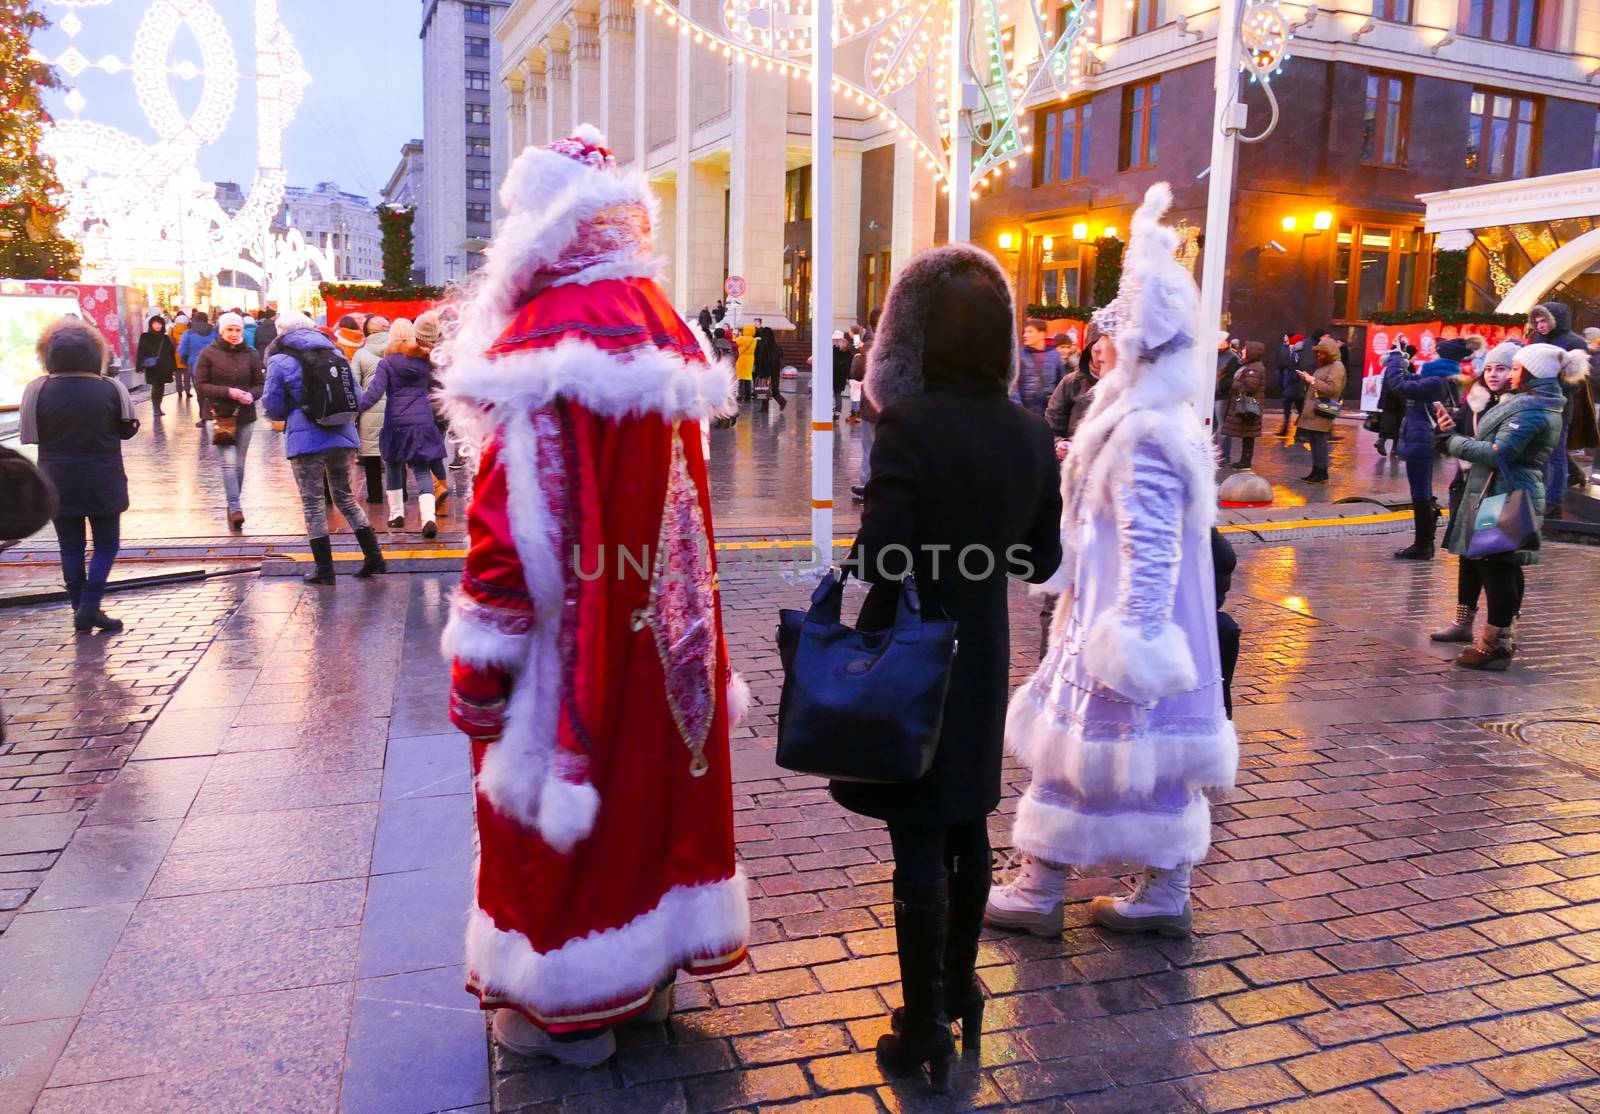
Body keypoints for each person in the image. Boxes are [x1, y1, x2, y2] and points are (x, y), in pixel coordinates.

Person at [435, 125, 749, 1067]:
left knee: (561, 826)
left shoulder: (546, 354)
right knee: (648, 807)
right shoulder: (665, 332)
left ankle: (562, 1009)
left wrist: (478, 674)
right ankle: (644, 987)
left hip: (568, 654)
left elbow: (506, 540)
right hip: (667, 642)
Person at [836, 242, 1061, 1090]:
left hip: (912, 652)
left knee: (918, 832)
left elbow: (884, 556)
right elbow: (1040, 561)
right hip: (982, 648)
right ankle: (961, 991)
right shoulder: (1032, 433)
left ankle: (924, 1018)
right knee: (967, 816)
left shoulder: (911, 425)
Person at [986, 183, 1236, 940]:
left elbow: (1154, 545)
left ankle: (1043, 885)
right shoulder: (1158, 417)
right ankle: (1161, 886)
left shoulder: (1148, 428)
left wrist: (1135, 635)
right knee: (1141, 755)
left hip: (1124, 622)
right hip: (1116, 613)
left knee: (1082, 749)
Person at [1436, 342, 1573, 670]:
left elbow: (1499, 452)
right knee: (1495, 565)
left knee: (1496, 568)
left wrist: (1453, 441)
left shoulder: (1531, 408)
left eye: (1514, 368)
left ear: (1531, 372)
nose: (1509, 372)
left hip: (1503, 491)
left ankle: (1493, 646)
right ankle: (1497, 641)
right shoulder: (1534, 403)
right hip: (1497, 488)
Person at [18, 318, 136, 633]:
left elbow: (28, 436)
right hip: (104, 478)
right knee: (106, 544)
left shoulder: (37, 388)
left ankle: (79, 609)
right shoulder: (112, 388)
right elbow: (127, 431)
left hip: (56, 480)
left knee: (70, 547)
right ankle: (90, 605)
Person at [261, 310, 387, 583]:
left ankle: (324, 570)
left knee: (313, 502)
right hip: (342, 435)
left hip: (306, 440)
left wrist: (291, 411)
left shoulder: (279, 360)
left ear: (282, 333)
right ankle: (374, 557)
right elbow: (357, 396)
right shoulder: (336, 354)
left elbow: (273, 405)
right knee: (344, 496)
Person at [1432, 340, 1516, 643]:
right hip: (1467, 485)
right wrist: (1446, 429)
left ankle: (1502, 631)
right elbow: (1453, 438)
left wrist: (1455, 440)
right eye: (1489, 367)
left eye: (1502, 368)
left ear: (1517, 371)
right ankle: (1462, 621)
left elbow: (1495, 452)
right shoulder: (1476, 399)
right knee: (1467, 555)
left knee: (1496, 561)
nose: (1493, 374)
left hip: (1495, 489)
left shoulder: (1516, 405)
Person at [1385, 335, 1477, 560]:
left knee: (1420, 491)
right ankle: (1424, 542)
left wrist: (1396, 358)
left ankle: (1424, 545)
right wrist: (1402, 353)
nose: (1433, 356)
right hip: (1425, 438)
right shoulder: (1444, 377)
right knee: (1421, 490)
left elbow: (1398, 384)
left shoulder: (1437, 381)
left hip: (1422, 439)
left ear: (1443, 356)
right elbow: (1410, 380)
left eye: (1436, 353)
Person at [360, 316, 447, 538]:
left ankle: (396, 515)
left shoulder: (387, 363)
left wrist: (354, 407)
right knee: (421, 469)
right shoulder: (424, 362)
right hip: (422, 421)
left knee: (392, 466)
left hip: (396, 422)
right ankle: (428, 518)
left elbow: (373, 394)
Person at [193, 312, 266, 531]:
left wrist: (251, 395)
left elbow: (260, 383)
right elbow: (201, 384)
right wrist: (229, 392)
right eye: (229, 330)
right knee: (228, 462)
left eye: (237, 330)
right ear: (221, 331)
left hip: (244, 414)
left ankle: (232, 503)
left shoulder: (251, 354)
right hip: (218, 414)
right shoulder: (208, 354)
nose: (234, 334)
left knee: (240, 464)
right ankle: (235, 507)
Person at [1528, 302, 1584, 513]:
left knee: (1556, 455)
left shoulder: (1574, 342)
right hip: (1533, 404)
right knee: (1538, 453)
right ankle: (1538, 496)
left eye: (1544, 320)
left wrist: (1546, 386)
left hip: (1558, 408)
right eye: (1537, 321)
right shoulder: (1537, 338)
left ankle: (1554, 501)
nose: (1540, 325)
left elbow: (1576, 381)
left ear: (1555, 319)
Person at [1045, 322, 1110, 450]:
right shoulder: (1072, 382)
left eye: (1106, 346)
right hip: (1076, 461)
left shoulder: (1126, 386)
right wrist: (1060, 443)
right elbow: (1051, 425)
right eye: (1095, 347)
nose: (1100, 352)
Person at [352, 314, 392, 504]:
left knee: (372, 455)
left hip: (370, 409)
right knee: (394, 452)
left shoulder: (361, 354)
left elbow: (354, 385)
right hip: (395, 407)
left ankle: (375, 495)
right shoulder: (397, 352)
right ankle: (399, 494)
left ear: (367, 331)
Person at [1296, 335, 1346, 484]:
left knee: (1319, 441)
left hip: (1323, 409)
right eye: (1317, 352)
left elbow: (1332, 389)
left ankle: (1322, 471)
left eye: (1321, 352)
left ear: (1329, 352)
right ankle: (1316, 470)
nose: (1318, 355)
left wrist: (1312, 380)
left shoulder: (1337, 366)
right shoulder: (1324, 366)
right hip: (1314, 409)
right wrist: (1309, 378)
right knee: (1314, 440)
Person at [1220, 340, 1267, 468]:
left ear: (1252, 352)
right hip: (1247, 405)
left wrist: (1232, 383)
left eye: (1246, 348)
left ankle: (1245, 461)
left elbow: (1250, 387)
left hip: (1250, 406)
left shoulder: (1255, 368)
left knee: (1249, 435)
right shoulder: (1249, 365)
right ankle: (1244, 461)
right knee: (1247, 434)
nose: (1243, 350)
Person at [1012, 318, 1063, 418]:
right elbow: (1014, 385)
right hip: (1026, 411)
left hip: (1049, 411)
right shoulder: (1019, 355)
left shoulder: (1055, 355)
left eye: (1030, 331)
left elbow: (1060, 382)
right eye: (1025, 332)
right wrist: (1018, 409)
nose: (1025, 335)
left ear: (1041, 334)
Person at [134, 314, 177, 417]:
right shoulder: (145, 336)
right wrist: (139, 365)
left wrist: (173, 367)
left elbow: (171, 353)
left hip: (164, 366)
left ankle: (158, 406)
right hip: (152, 366)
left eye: (160, 324)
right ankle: (155, 408)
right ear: (151, 325)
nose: (158, 326)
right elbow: (141, 351)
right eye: (155, 324)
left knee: (161, 386)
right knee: (155, 385)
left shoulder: (165, 338)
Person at [177, 310, 216, 424]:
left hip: (196, 367)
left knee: (201, 393)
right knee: (213, 391)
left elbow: (182, 350)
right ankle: (214, 414)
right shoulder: (214, 332)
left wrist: (187, 362)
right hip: (214, 366)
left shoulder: (188, 333)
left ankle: (203, 417)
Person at [1279, 332, 1307, 437]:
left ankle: (1289, 429)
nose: (1289, 345)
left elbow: (1294, 370)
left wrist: (1290, 379)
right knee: (1300, 410)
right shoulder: (1301, 353)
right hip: (1297, 387)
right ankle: (1300, 432)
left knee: (1288, 406)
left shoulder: (1296, 354)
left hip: (1294, 387)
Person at [1213, 332, 1240, 440]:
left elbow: (1234, 377)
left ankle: (1225, 453)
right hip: (1213, 393)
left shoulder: (1232, 357)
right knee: (1213, 425)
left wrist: (1222, 384)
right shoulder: (1212, 355)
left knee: (1222, 425)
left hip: (1222, 395)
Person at [755, 319, 786, 410]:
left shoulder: (763, 346)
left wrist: (759, 371)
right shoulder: (776, 346)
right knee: (774, 389)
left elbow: (762, 359)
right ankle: (781, 401)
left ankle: (765, 408)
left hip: (765, 371)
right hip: (775, 371)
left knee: (764, 389)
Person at [734, 324, 757, 402]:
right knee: (748, 377)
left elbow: (734, 343)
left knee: (740, 377)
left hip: (741, 359)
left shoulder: (741, 339)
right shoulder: (754, 340)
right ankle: (748, 396)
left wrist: (734, 335)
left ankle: (740, 395)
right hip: (750, 359)